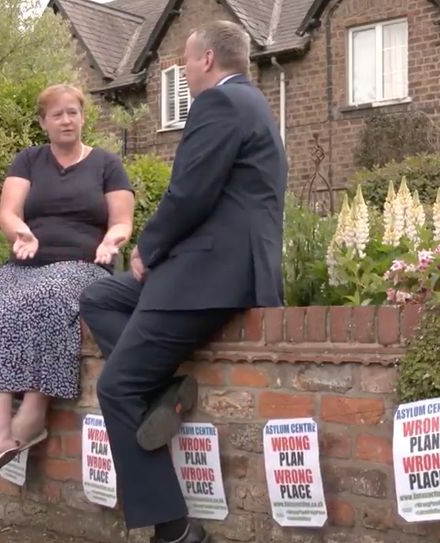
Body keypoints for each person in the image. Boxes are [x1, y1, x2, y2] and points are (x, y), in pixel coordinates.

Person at [79, 20, 287, 543]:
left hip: (205, 278)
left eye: (186, 61)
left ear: (208, 60)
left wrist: (147, 247)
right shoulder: (256, 104)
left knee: (116, 386)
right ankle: (163, 392)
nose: (184, 71)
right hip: (219, 272)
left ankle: (174, 529)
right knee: (98, 295)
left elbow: (190, 193)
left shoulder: (217, 105)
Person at [0, 84, 134, 486]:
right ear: (43, 122)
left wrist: (112, 240)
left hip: (83, 265)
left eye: (73, 112)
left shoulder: (107, 164)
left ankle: (33, 413)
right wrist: (21, 233)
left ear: (83, 117)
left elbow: (122, 220)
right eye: (57, 115)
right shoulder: (28, 161)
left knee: (50, 297)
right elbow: (8, 212)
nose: (67, 120)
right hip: (28, 263)